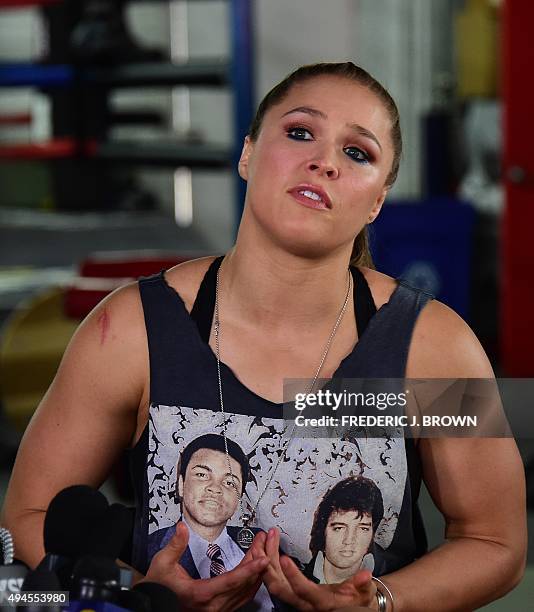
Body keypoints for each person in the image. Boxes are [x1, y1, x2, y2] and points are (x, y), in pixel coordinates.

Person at [1, 62, 526, 612]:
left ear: (377, 202)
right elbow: (28, 517)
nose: (324, 161)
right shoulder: (130, 330)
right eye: (300, 133)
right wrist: (143, 594)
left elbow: (495, 542)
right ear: (248, 154)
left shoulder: (434, 346)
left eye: (357, 153)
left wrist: (379, 604)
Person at [304, 476, 384, 584]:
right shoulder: (293, 581)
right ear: (323, 531)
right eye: (339, 528)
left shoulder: (394, 574)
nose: (349, 540)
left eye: (363, 528)